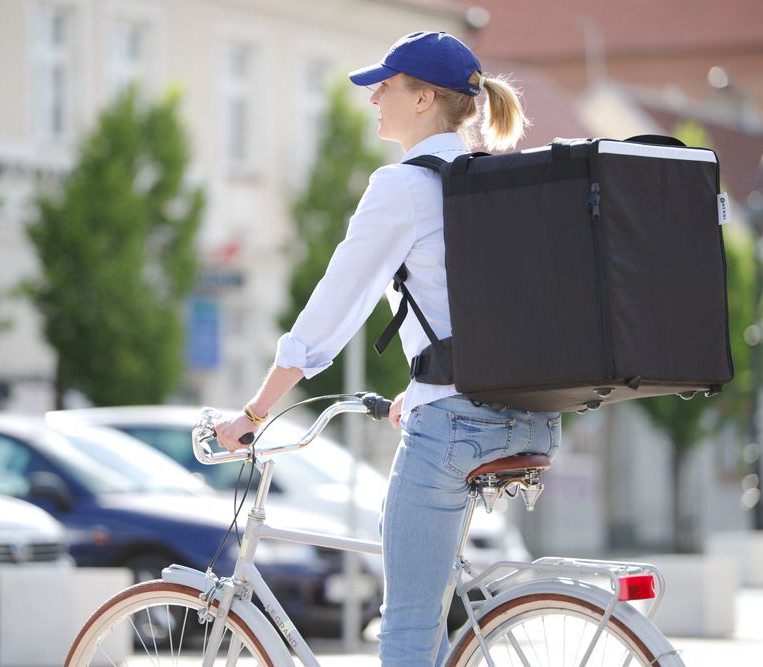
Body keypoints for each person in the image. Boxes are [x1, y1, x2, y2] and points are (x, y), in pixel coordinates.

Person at [214, 31, 562, 667]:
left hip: (454, 429)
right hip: (529, 416)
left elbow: (332, 309)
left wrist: (255, 412)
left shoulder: (402, 186)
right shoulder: (490, 181)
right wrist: (420, 388)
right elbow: (486, 310)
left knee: (405, 628)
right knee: (430, 614)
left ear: (425, 97)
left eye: (388, 85)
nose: (374, 97)